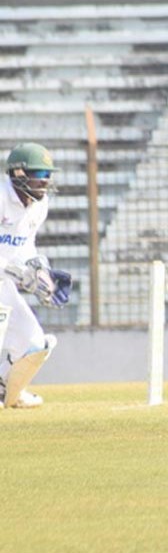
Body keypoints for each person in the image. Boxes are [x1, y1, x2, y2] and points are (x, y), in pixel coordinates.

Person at [0, 142, 72, 408]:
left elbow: (24, 245)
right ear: (18, 174)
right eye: (40, 176)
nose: (45, 182)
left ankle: (9, 391)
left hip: (3, 283)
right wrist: (18, 271)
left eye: (48, 176)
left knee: (34, 344)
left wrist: (39, 268)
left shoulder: (39, 206)